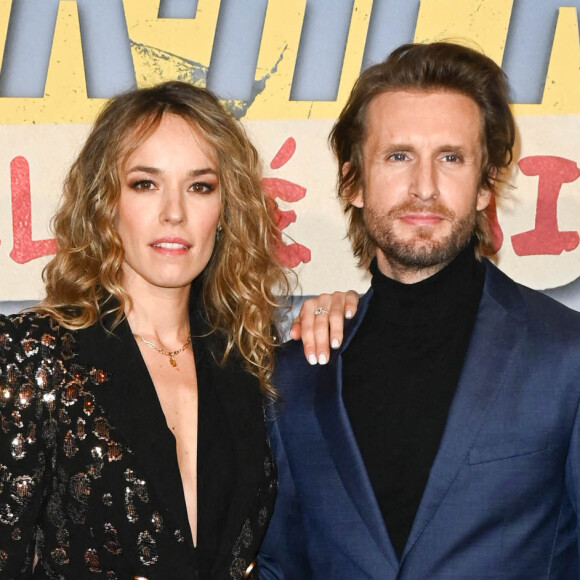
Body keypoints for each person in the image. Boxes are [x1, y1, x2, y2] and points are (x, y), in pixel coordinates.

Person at [258, 42, 580, 578]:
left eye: (451, 158)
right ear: (353, 182)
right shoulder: (295, 373)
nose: (424, 188)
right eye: (398, 156)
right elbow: (279, 564)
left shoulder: (566, 357)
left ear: (485, 185)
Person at [0, 81, 344, 579]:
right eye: (145, 183)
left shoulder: (249, 360)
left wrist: (348, 311)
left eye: (200, 186)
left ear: (225, 212)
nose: (175, 213)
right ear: (105, 203)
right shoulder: (34, 356)